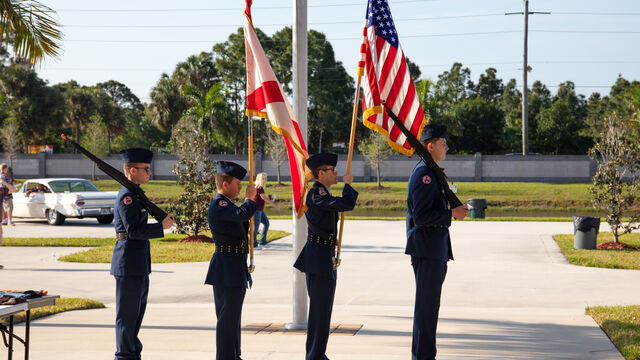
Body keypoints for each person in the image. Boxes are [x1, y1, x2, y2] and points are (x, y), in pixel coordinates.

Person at [406, 124, 469, 360]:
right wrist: (452, 214)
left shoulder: (430, 171)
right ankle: (423, 356)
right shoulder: (424, 174)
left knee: (429, 307)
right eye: (443, 143)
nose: (447, 147)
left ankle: (423, 355)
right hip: (429, 248)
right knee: (426, 308)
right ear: (430, 146)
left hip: (430, 248)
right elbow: (420, 216)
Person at [111, 148, 174, 360]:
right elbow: (133, 231)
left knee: (136, 315)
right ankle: (124, 355)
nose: (149, 172)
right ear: (131, 171)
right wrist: (161, 227)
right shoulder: (127, 197)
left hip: (137, 263)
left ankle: (132, 353)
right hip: (128, 263)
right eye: (145, 169)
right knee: (127, 316)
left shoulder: (136, 194)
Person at [294, 153, 358, 360]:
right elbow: (345, 204)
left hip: (323, 257)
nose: (337, 173)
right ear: (321, 174)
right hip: (318, 258)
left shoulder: (323, 193)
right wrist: (347, 186)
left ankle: (316, 354)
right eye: (332, 170)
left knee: (323, 312)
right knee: (320, 313)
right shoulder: (316, 194)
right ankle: (314, 355)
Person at [205, 160, 257, 360]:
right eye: (237, 183)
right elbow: (241, 214)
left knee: (233, 317)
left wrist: (250, 202)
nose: (240, 187)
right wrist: (249, 200)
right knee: (227, 319)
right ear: (225, 184)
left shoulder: (227, 204)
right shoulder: (220, 204)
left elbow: (242, 217)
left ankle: (234, 354)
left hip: (233, 266)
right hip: (226, 267)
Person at [252, 172, 280, 249]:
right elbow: (264, 198)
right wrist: (274, 205)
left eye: (266, 178)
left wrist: (270, 198)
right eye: (265, 178)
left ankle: (262, 242)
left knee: (266, 223)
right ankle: (253, 245)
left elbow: (263, 198)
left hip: (260, 210)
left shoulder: (260, 188)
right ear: (261, 179)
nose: (266, 180)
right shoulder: (259, 187)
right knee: (256, 227)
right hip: (256, 210)